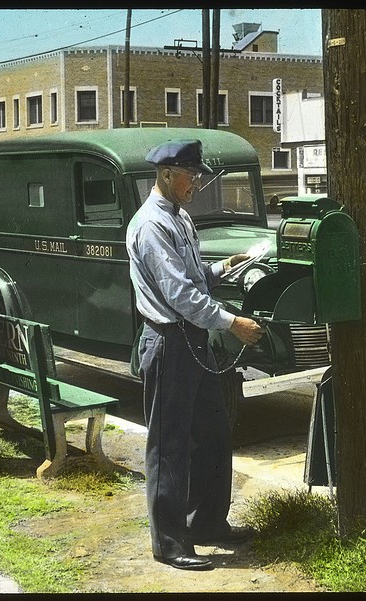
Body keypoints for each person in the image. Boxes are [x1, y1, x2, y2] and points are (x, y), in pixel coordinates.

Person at [126, 139, 264, 571]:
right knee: (169, 446)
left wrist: (226, 267)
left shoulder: (179, 218)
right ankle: (169, 543)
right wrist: (232, 323)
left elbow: (194, 275)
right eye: (191, 174)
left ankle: (206, 524)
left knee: (213, 432)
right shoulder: (151, 224)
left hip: (191, 342)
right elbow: (180, 294)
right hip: (169, 342)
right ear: (167, 175)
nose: (197, 183)